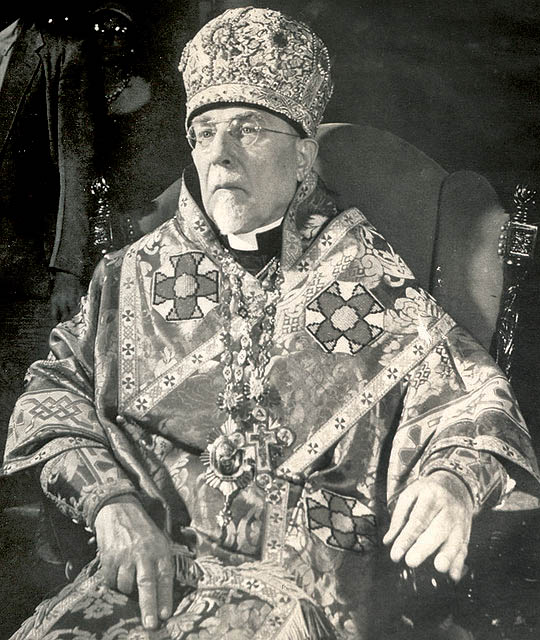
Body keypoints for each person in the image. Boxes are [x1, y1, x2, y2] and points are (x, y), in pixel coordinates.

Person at [2, 7, 539, 639]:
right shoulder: (130, 275)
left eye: (248, 129)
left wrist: (453, 480)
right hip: (144, 579)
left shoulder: (359, 274)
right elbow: (52, 395)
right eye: (204, 132)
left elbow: (473, 396)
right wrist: (109, 504)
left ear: (304, 157)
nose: (219, 155)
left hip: (300, 592)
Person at [0, 6, 97, 457]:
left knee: (16, 409)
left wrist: (67, 270)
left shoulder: (60, 54)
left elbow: (74, 169)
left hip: (25, 274)